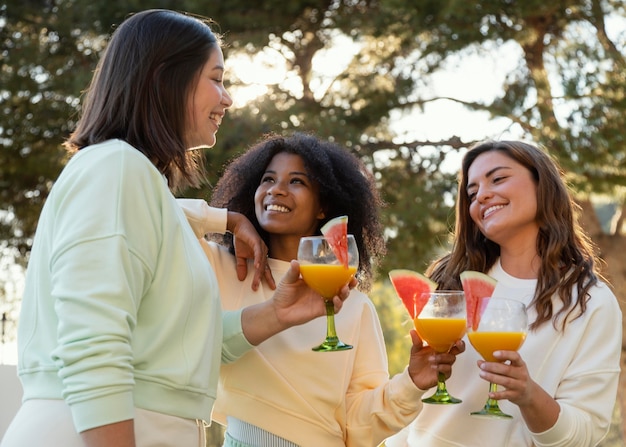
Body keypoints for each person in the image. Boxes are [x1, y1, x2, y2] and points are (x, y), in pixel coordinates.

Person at [0, 10, 352, 447]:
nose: (227, 99)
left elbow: (180, 348)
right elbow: (93, 346)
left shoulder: (136, 182)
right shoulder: (115, 168)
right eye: (216, 79)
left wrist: (278, 312)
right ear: (167, 78)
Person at [178, 131, 465, 447]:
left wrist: (412, 383)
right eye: (268, 179)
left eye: (296, 181)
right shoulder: (219, 266)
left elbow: (357, 427)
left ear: (323, 207)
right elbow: (142, 211)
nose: (277, 190)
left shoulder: (352, 304)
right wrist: (227, 220)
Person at [384, 140, 622, 446]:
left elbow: (585, 432)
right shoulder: (451, 281)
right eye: (472, 193)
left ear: (542, 185)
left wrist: (529, 395)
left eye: (498, 179)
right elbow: (416, 406)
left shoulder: (591, 303)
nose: (482, 195)